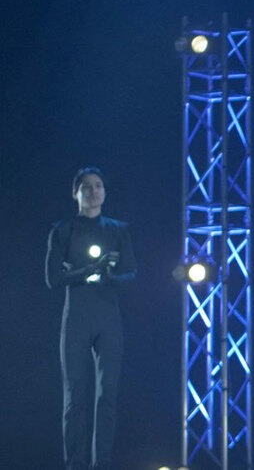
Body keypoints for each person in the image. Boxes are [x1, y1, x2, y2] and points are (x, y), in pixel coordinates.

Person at [45, 167, 136, 470]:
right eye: (86, 187)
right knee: (75, 396)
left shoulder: (118, 229)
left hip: (108, 319)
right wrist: (89, 271)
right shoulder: (62, 230)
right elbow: (53, 279)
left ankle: (102, 464)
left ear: (105, 192)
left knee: (107, 394)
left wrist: (109, 275)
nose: (93, 192)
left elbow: (131, 274)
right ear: (76, 193)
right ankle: (75, 464)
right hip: (77, 319)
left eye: (98, 186)